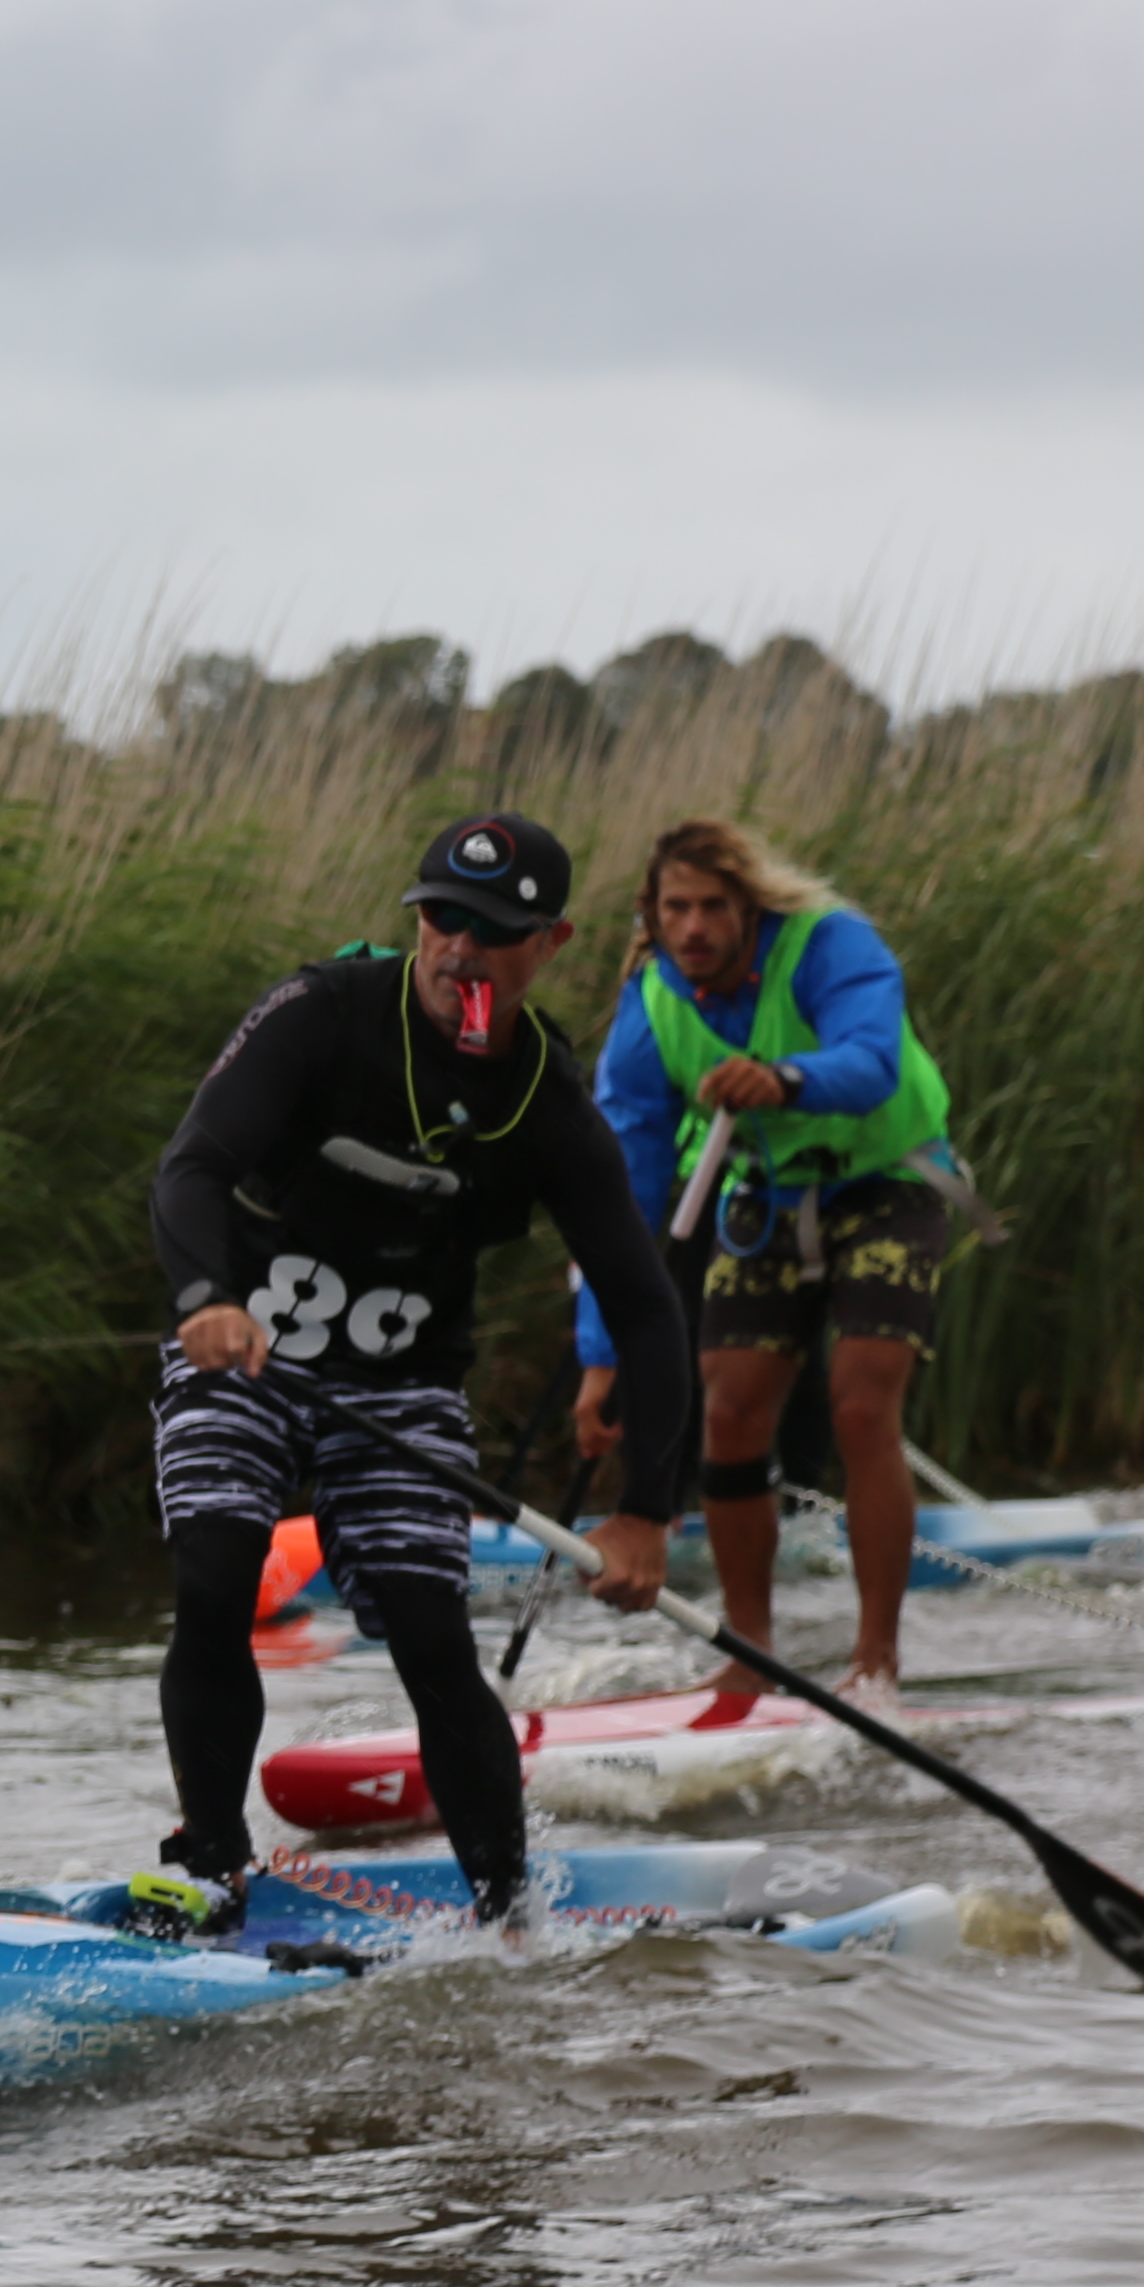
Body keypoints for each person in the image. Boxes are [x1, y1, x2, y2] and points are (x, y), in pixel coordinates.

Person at [141, 813, 691, 1929]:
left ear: (551, 944)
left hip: (399, 1388)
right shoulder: (322, 1016)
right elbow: (192, 1167)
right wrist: (208, 1300)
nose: (459, 951)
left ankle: (505, 1916)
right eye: (442, 919)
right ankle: (211, 1863)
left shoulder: (546, 1102)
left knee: (429, 1628)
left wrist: (646, 1515)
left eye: (495, 933)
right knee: (215, 1577)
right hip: (249, 1356)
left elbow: (644, 1306)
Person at [565, 819, 966, 1695]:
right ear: (653, 913)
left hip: (888, 1182)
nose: (695, 927)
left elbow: (871, 1063)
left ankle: (875, 1663)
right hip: (765, 1197)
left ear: (751, 908)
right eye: (677, 908)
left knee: (861, 1409)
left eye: (714, 906)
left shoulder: (833, 941)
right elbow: (620, 1198)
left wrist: (784, 1079)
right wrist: (599, 1357)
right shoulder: (651, 1001)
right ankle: (750, 1656)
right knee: (730, 1420)